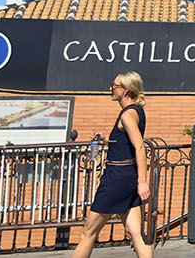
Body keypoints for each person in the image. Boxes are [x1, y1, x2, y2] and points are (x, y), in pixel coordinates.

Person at [72, 73, 153, 258]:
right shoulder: (136, 111)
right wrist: (104, 138)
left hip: (117, 177)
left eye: (115, 85)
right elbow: (123, 140)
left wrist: (143, 182)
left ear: (125, 90)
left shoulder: (127, 115)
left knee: (88, 232)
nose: (111, 88)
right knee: (137, 233)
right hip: (128, 176)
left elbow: (139, 146)